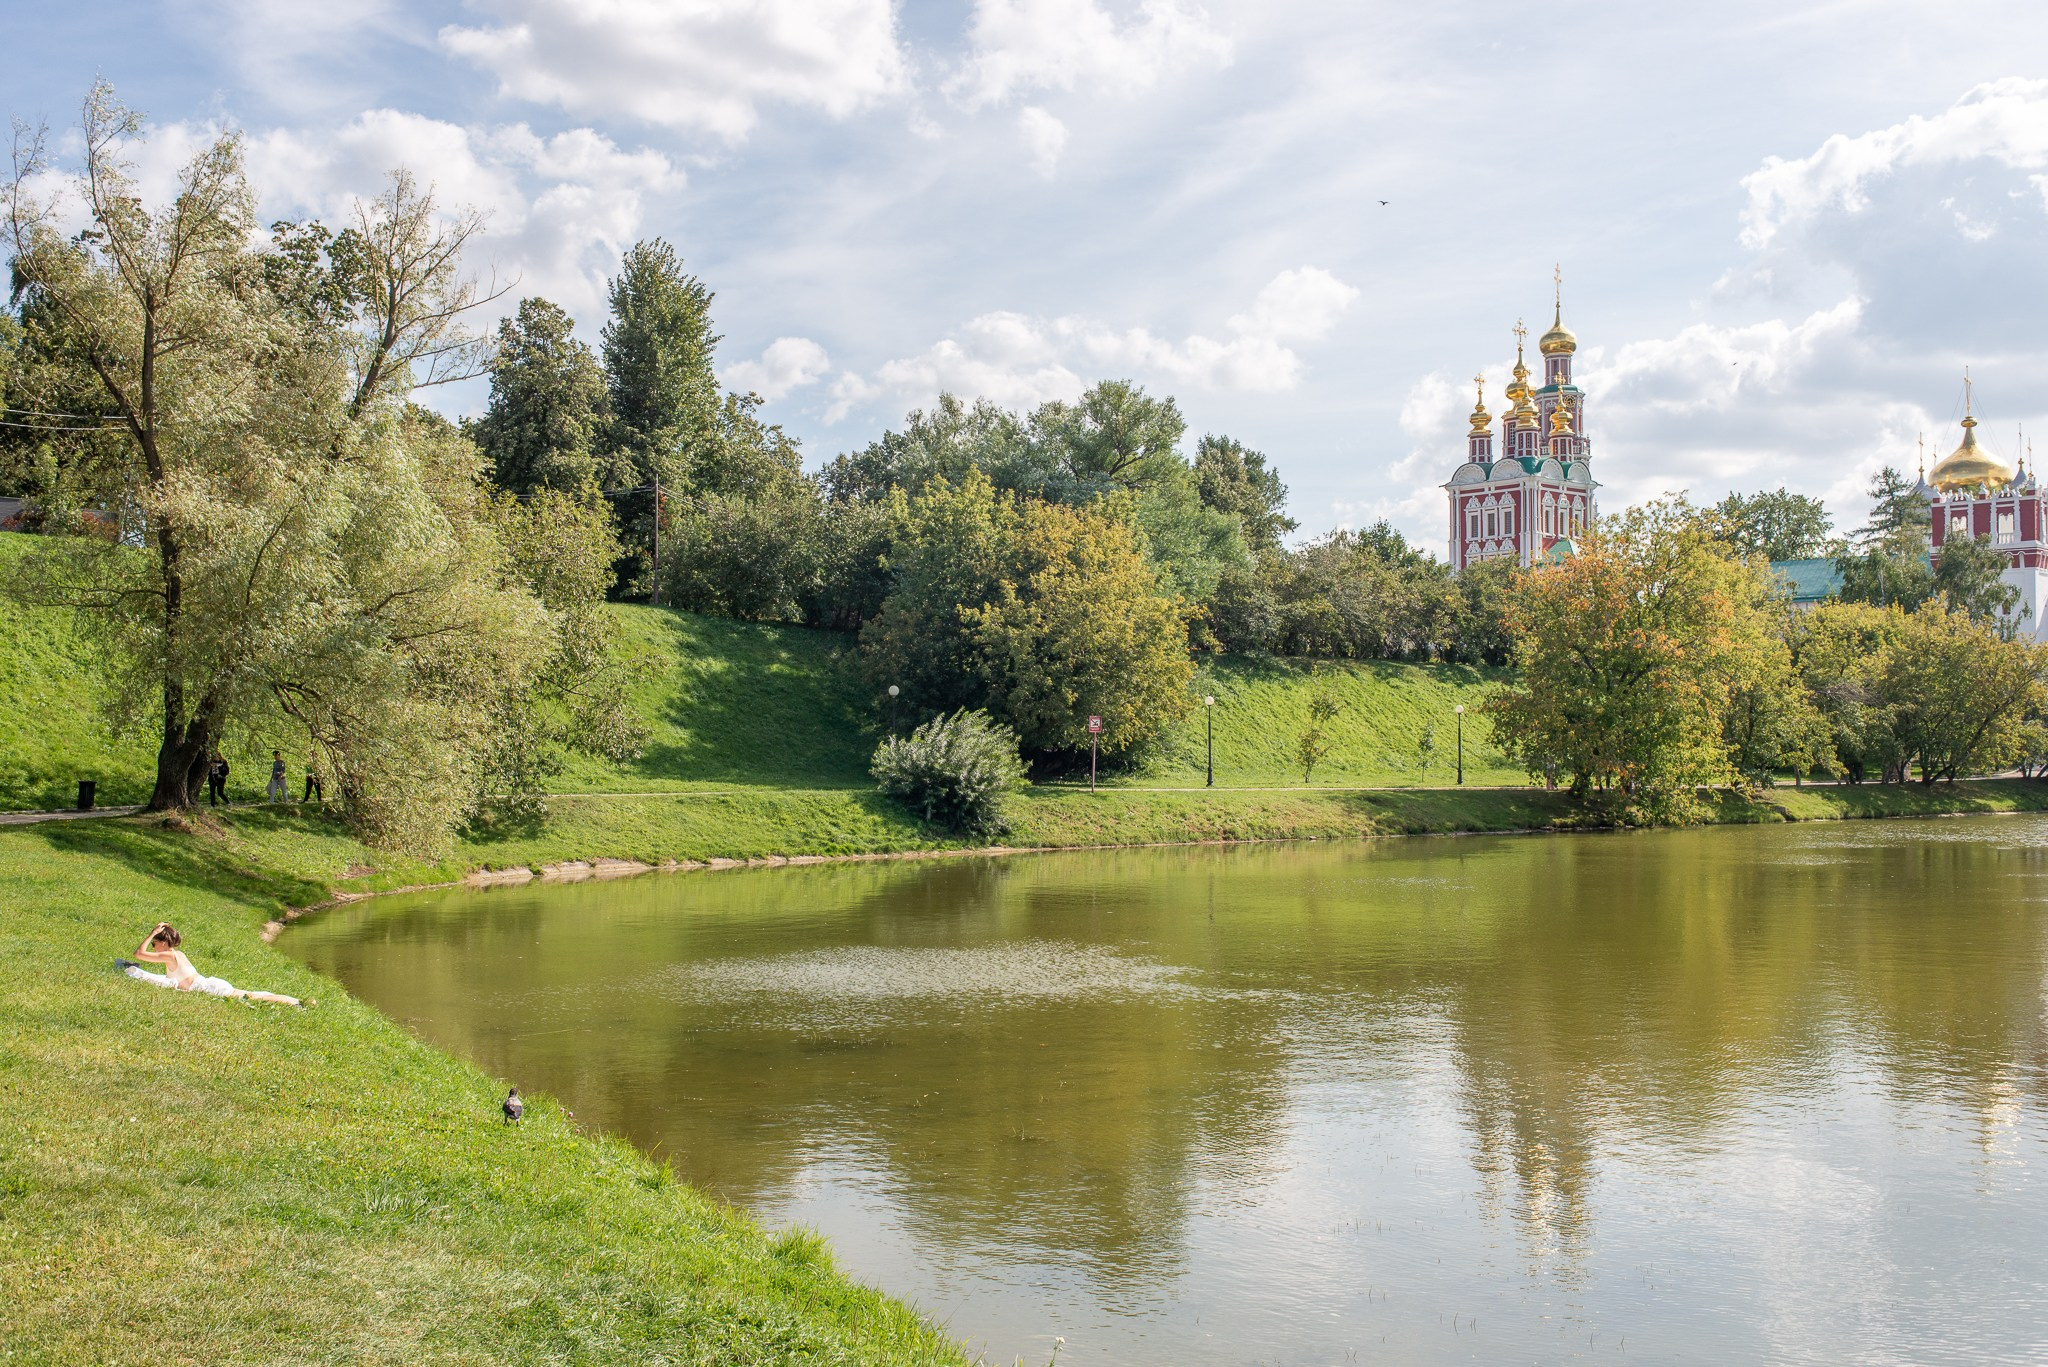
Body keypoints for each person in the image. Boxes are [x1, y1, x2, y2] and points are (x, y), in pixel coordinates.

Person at [121, 922, 304, 1006]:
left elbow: (138, 953)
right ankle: (295, 1001)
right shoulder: (177, 954)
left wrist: (152, 933)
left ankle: (295, 1003)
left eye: (154, 943)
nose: (153, 947)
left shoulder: (168, 955)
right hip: (209, 983)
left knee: (254, 997)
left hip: (208, 988)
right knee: (254, 995)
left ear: (162, 942)